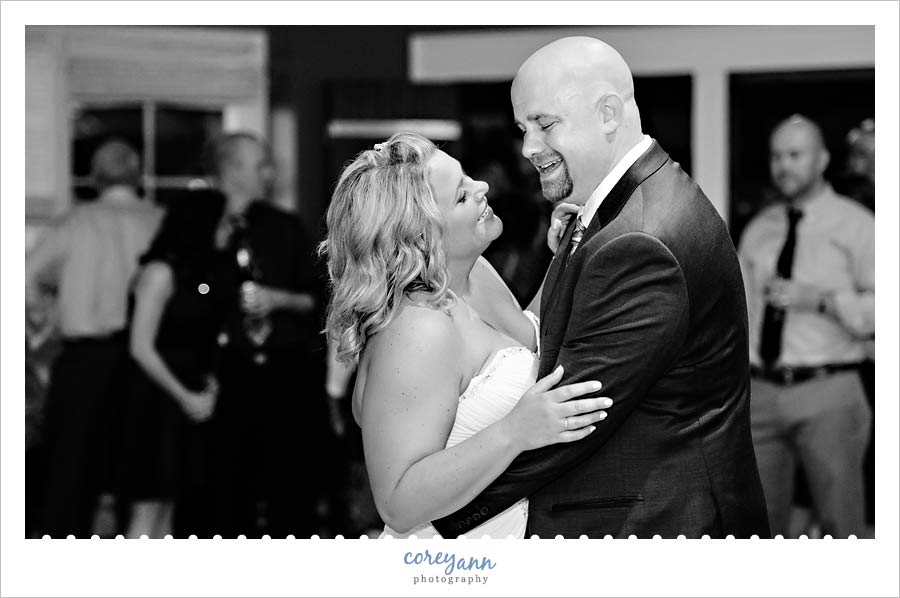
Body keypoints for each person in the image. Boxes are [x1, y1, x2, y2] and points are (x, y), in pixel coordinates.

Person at [431, 36, 770, 539]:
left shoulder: (639, 238)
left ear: (608, 112)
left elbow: (574, 417)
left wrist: (437, 512)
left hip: (659, 527)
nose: (528, 148)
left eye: (545, 124)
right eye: (524, 129)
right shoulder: (623, 208)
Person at [322, 132, 611, 538]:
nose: (483, 188)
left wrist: (566, 256)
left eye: (467, 178)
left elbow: (526, 339)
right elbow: (397, 504)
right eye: (461, 196)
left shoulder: (473, 274)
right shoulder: (417, 331)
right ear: (421, 236)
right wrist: (513, 432)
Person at [738, 115, 874, 538]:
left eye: (795, 155)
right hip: (760, 393)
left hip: (829, 391)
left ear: (823, 160)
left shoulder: (858, 225)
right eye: (777, 156)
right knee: (760, 526)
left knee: (840, 526)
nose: (784, 165)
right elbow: (742, 311)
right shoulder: (760, 229)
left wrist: (819, 300)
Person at [25, 139, 163, 538]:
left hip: (84, 364)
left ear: (95, 177)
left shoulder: (73, 222)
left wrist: (43, 321)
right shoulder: (160, 220)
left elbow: (22, 280)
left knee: (69, 483)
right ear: (137, 175)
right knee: (139, 483)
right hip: (147, 363)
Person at [207, 132, 325, 539]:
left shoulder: (285, 226)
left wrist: (280, 300)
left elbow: (319, 300)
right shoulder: (197, 229)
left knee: (290, 490)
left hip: (285, 373)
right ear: (232, 170)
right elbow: (187, 298)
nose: (270, 175)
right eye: (261, 166)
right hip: (223, 375)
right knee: (223, 489)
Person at [121, 188, 229, 539]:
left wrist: (208, 384)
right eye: (224, 222)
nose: (228, 230)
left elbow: (201, 336)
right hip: (154, 398)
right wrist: (185, 396)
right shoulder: (159, 272)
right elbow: (140, 347)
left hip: (184, 393)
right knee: (149, 505)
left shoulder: (197, 272)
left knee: (170, 506)